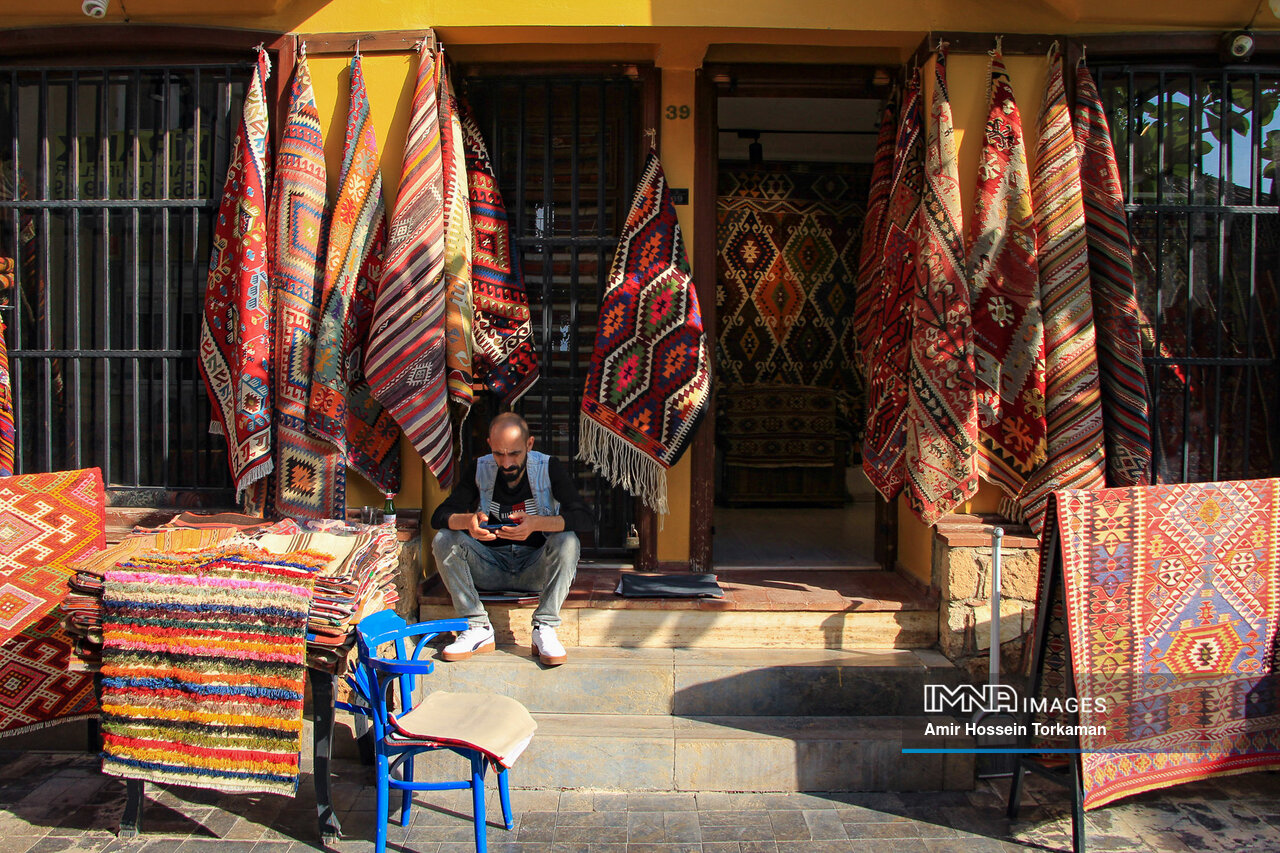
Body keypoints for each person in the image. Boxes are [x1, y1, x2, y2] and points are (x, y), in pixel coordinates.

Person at [430, 412, 591, 666]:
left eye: (514, 454)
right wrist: (469, 523)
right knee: (443, 539)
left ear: (529, 444)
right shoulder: (479, 468)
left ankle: (544, 627)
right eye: (498, 454)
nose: (506, 463)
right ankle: (476, 627)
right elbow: (440, 515)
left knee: (568, 540)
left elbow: (584, 518)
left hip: (535, 570)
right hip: (489, 566)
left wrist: (536, 523)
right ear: (490, 446)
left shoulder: (548, 467)